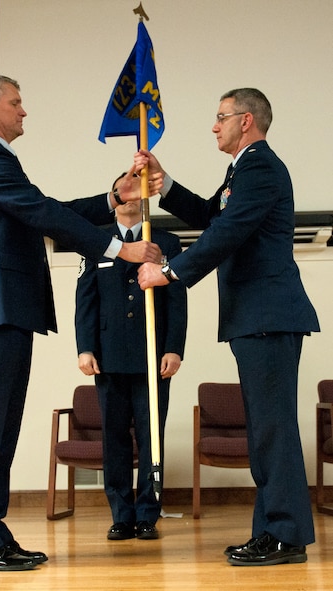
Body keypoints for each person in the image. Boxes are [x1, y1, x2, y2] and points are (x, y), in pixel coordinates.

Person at [0, 74, 162, 572]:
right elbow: (42, 212)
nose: (24, 112)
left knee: (0, 430)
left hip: (7, 309)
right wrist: (120, 247)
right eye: (16, 102)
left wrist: (113, 198)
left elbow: (47, 212)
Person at [135, 88, 320, 566]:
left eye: (221, 117)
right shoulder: (243, 169)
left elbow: (226, 232)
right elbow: (212, 214)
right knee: (264, 427)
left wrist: (170, 272)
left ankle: (285, 534)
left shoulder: (260, 167)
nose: (214, 126)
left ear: (247, 121)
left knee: (272, 429)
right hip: (255, 317)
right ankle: (272, 531)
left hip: (268, 315)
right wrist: (165, 184)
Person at [75, 173, 187, 541]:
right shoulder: (96, 243)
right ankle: (121, 514)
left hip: (152, 356)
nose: (131, 198)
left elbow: (177, 301)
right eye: (125, 191)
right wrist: (85, 348)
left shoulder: (165, 241)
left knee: (152, 435)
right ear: (116, 197)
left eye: (139, 192)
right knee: (115, 437)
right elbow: (86, 301)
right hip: (108, 357)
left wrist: (174, 347)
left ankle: (146, 514)